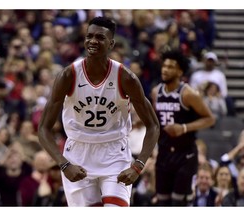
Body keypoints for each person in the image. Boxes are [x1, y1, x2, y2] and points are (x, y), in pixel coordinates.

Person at [38, 16, 160, 207]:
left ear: (111, 44)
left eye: (100, 37)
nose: (93, 41)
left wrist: (138, 166)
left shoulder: (125, 78)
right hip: (78, 153)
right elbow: (43, 129)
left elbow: (153, 125)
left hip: (114, 153)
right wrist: (64, 164)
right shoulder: (68, 75)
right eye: (89, 36)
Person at [150, 49, 215, 206]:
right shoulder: (155, 92)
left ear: (180, 71)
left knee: (179, 203)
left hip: (184, 154)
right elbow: (155, 123)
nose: (165, 69)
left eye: (171, 66)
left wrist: (184, 128)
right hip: (164, 153)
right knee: (162, 202)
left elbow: (210, 119)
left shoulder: (188, 94)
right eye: (164, 66)